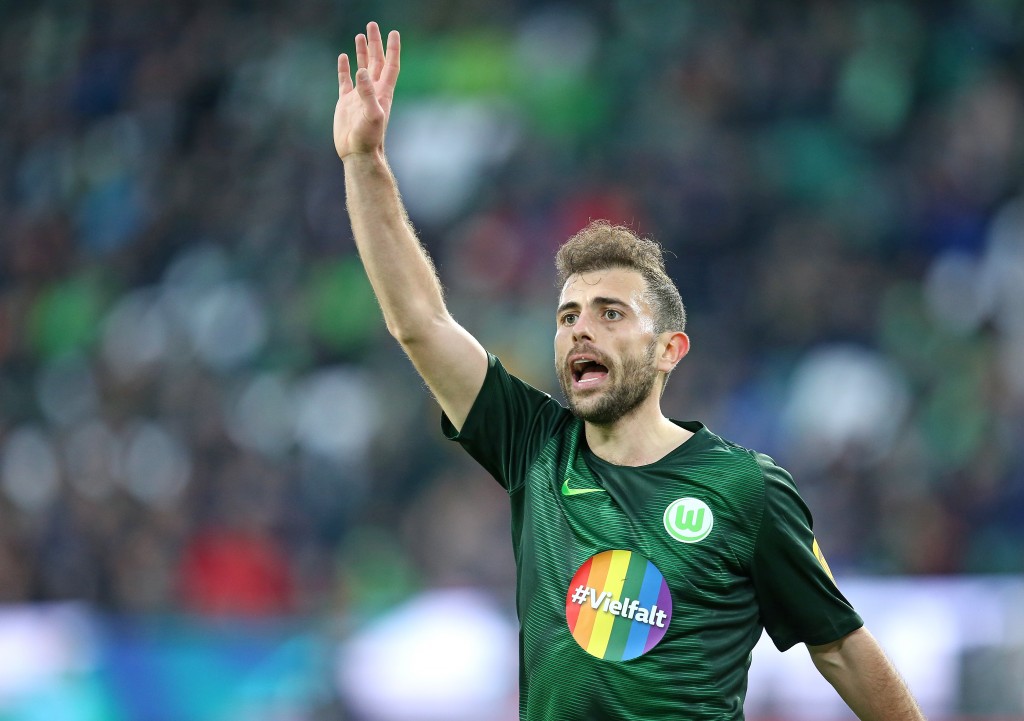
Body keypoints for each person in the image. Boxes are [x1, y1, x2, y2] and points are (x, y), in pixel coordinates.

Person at [334, 21, 927, 721]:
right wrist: (364, 160)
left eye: (611, 312)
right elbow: (419, 323)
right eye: (568, 315)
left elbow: (842, 650)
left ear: (670, 350)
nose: (581, 327)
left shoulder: (745, 488)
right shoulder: (536, 449)